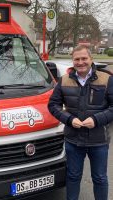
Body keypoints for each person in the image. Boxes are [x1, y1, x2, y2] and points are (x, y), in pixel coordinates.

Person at [48, 45, 113, 200]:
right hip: (73, 140)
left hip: (99, 140)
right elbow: (53, 105)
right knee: (73, 177)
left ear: (91, 59)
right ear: (73, 61)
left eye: (84, 58)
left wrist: (96, 119)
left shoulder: (107, 79)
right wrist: (69, 119)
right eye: (77, 59)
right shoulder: (63, 80)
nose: (80, 62)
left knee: (100, 178)